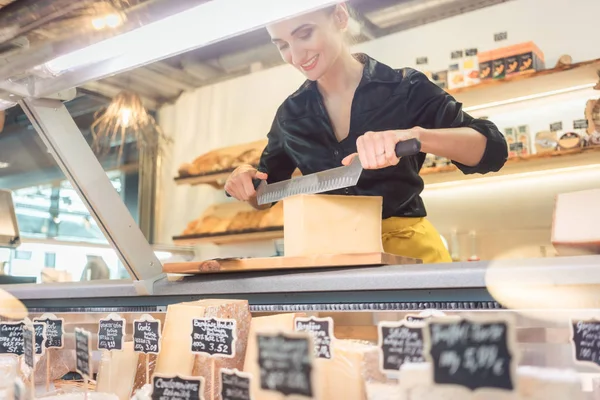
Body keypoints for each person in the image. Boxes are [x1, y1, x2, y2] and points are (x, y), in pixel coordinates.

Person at [224, 3, 508, 263]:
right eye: (282, 44)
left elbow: (492, 150)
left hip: (411, 255)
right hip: (332, 261)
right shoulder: (289, 115)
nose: (296, 56)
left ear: (339, 17)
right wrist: (246, 181)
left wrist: (415, 136)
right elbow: (264, 195)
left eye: (305, 34)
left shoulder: (405, 87)